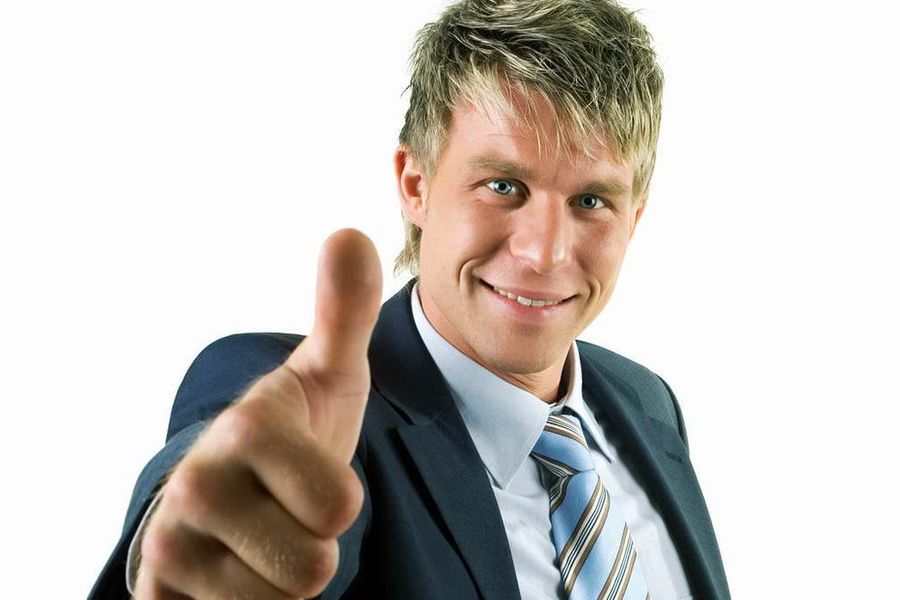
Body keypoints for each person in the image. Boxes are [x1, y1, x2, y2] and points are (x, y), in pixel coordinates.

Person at [91, 0, 730, 598]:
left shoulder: (648, 403)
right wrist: (193, 545)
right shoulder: (308, 408)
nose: (545, 252)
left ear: (634, 217)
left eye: (591, 201)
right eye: (503, 185)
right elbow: (227, 483)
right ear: (415, 184)